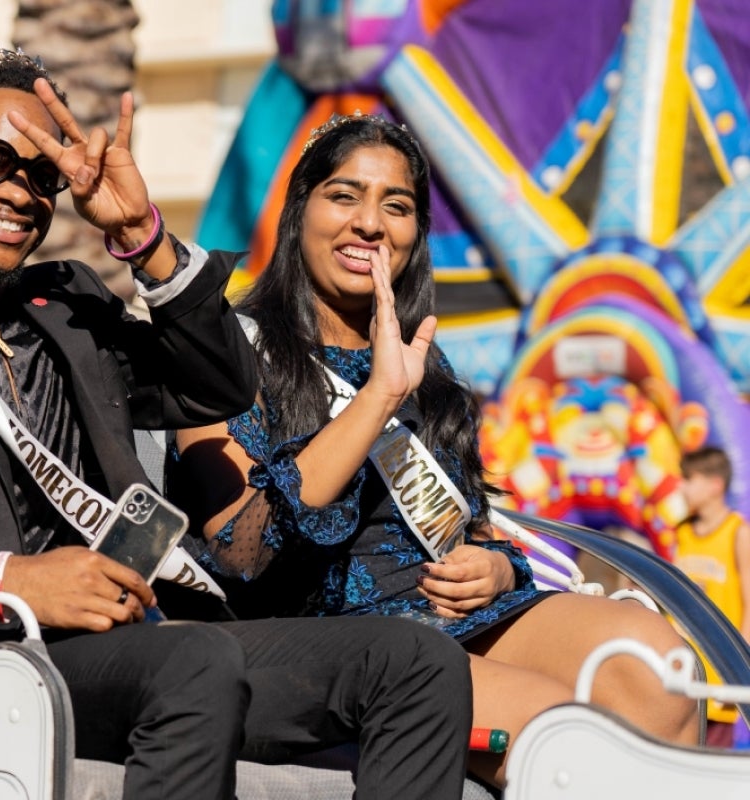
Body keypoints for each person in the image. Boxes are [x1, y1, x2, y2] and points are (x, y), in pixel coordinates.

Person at [0, 45, 474, 799]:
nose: (19, 193)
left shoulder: (66, 306)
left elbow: (221, 386)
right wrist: (8, 577)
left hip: (142, 633)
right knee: (195, 662)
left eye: (42, 175)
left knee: (418, 660)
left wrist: (143, 237)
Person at [170, 112, 700, 787]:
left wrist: (497, 570)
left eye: (397, 206)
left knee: (655, 666)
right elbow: (240, 553)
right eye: (344, 195)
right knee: (565, 735)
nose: (370, 223)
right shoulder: (233, 352)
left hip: (454, 617)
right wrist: (376, 399)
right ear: (299, 209)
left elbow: (476, 529)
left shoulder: (430, 367)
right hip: (322, 640)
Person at [675, 446, 750, 747]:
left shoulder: (738, 532)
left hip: (719, 674)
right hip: (681, 669)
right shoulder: (680, 532)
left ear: (714, 485)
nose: (681, 486)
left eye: (688, 479)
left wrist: (740, 666)